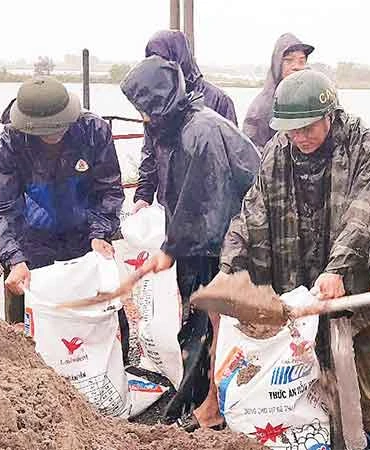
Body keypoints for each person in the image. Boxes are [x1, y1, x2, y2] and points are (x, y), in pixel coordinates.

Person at [219, 69, 370, 450]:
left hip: (348, 277)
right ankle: (314, 434)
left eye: (307, 128)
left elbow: (363, 211)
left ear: (329, 116)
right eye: (292, 130)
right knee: (303, 366)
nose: (299, 137)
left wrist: (338, 269)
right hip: (294, 272)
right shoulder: (278, 150)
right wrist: (230, 269)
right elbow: (253, 210)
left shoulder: (361, 143)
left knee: (362, 363)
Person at [120, 55, 260, 430]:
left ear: (162, 103)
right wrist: (172, 245)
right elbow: (181, 195)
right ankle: (208, 402)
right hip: (208, 241)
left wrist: (170, 249)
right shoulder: (178, 127)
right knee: (208, 323)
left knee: (221, 325)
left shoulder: (202, 132)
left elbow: (204, 201)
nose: (144, 118)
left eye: (146, 110)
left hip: (232, 242)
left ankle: (216, 407)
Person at [0, 76, 124, 323]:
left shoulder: (94, 131)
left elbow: (109, 189)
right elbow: (3, 208)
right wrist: (14, 258)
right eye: (46, 130)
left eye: (60, 126)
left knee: (101, 315)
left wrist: (99, 234)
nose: (54, 134)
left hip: (86, 236)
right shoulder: (9, 144)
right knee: (33, 321)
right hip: (34, 241)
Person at [132, 29, 239, 214]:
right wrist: (143, 195)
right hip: (169, 209)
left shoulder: (218, 100)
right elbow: (150, 152)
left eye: (162, 60)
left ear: (179, 59)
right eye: (152, 60)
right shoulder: (155, 102)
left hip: (208, 210)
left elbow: (231, 162)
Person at [243, 33, 314, 149]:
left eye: (301, 61)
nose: (296, 66)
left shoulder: (314, 99)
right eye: (289, 61)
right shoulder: (260, 108)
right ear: (277, 65)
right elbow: (250, 153)